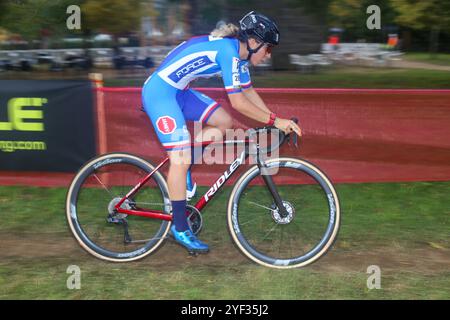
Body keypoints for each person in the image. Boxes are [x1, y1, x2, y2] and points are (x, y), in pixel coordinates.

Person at [141, 11, 302, 254]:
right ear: (254, 42)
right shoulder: (229, 54)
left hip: (179, 92)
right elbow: (238, 103)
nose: (269, 55)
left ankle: (184, 167)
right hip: (160, 94)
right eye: (268, 49)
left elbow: (248, 93)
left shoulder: (239, 56)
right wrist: (276, 120)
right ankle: (180, 227)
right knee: (180, 159)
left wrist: (272, 121)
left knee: (223, 122)